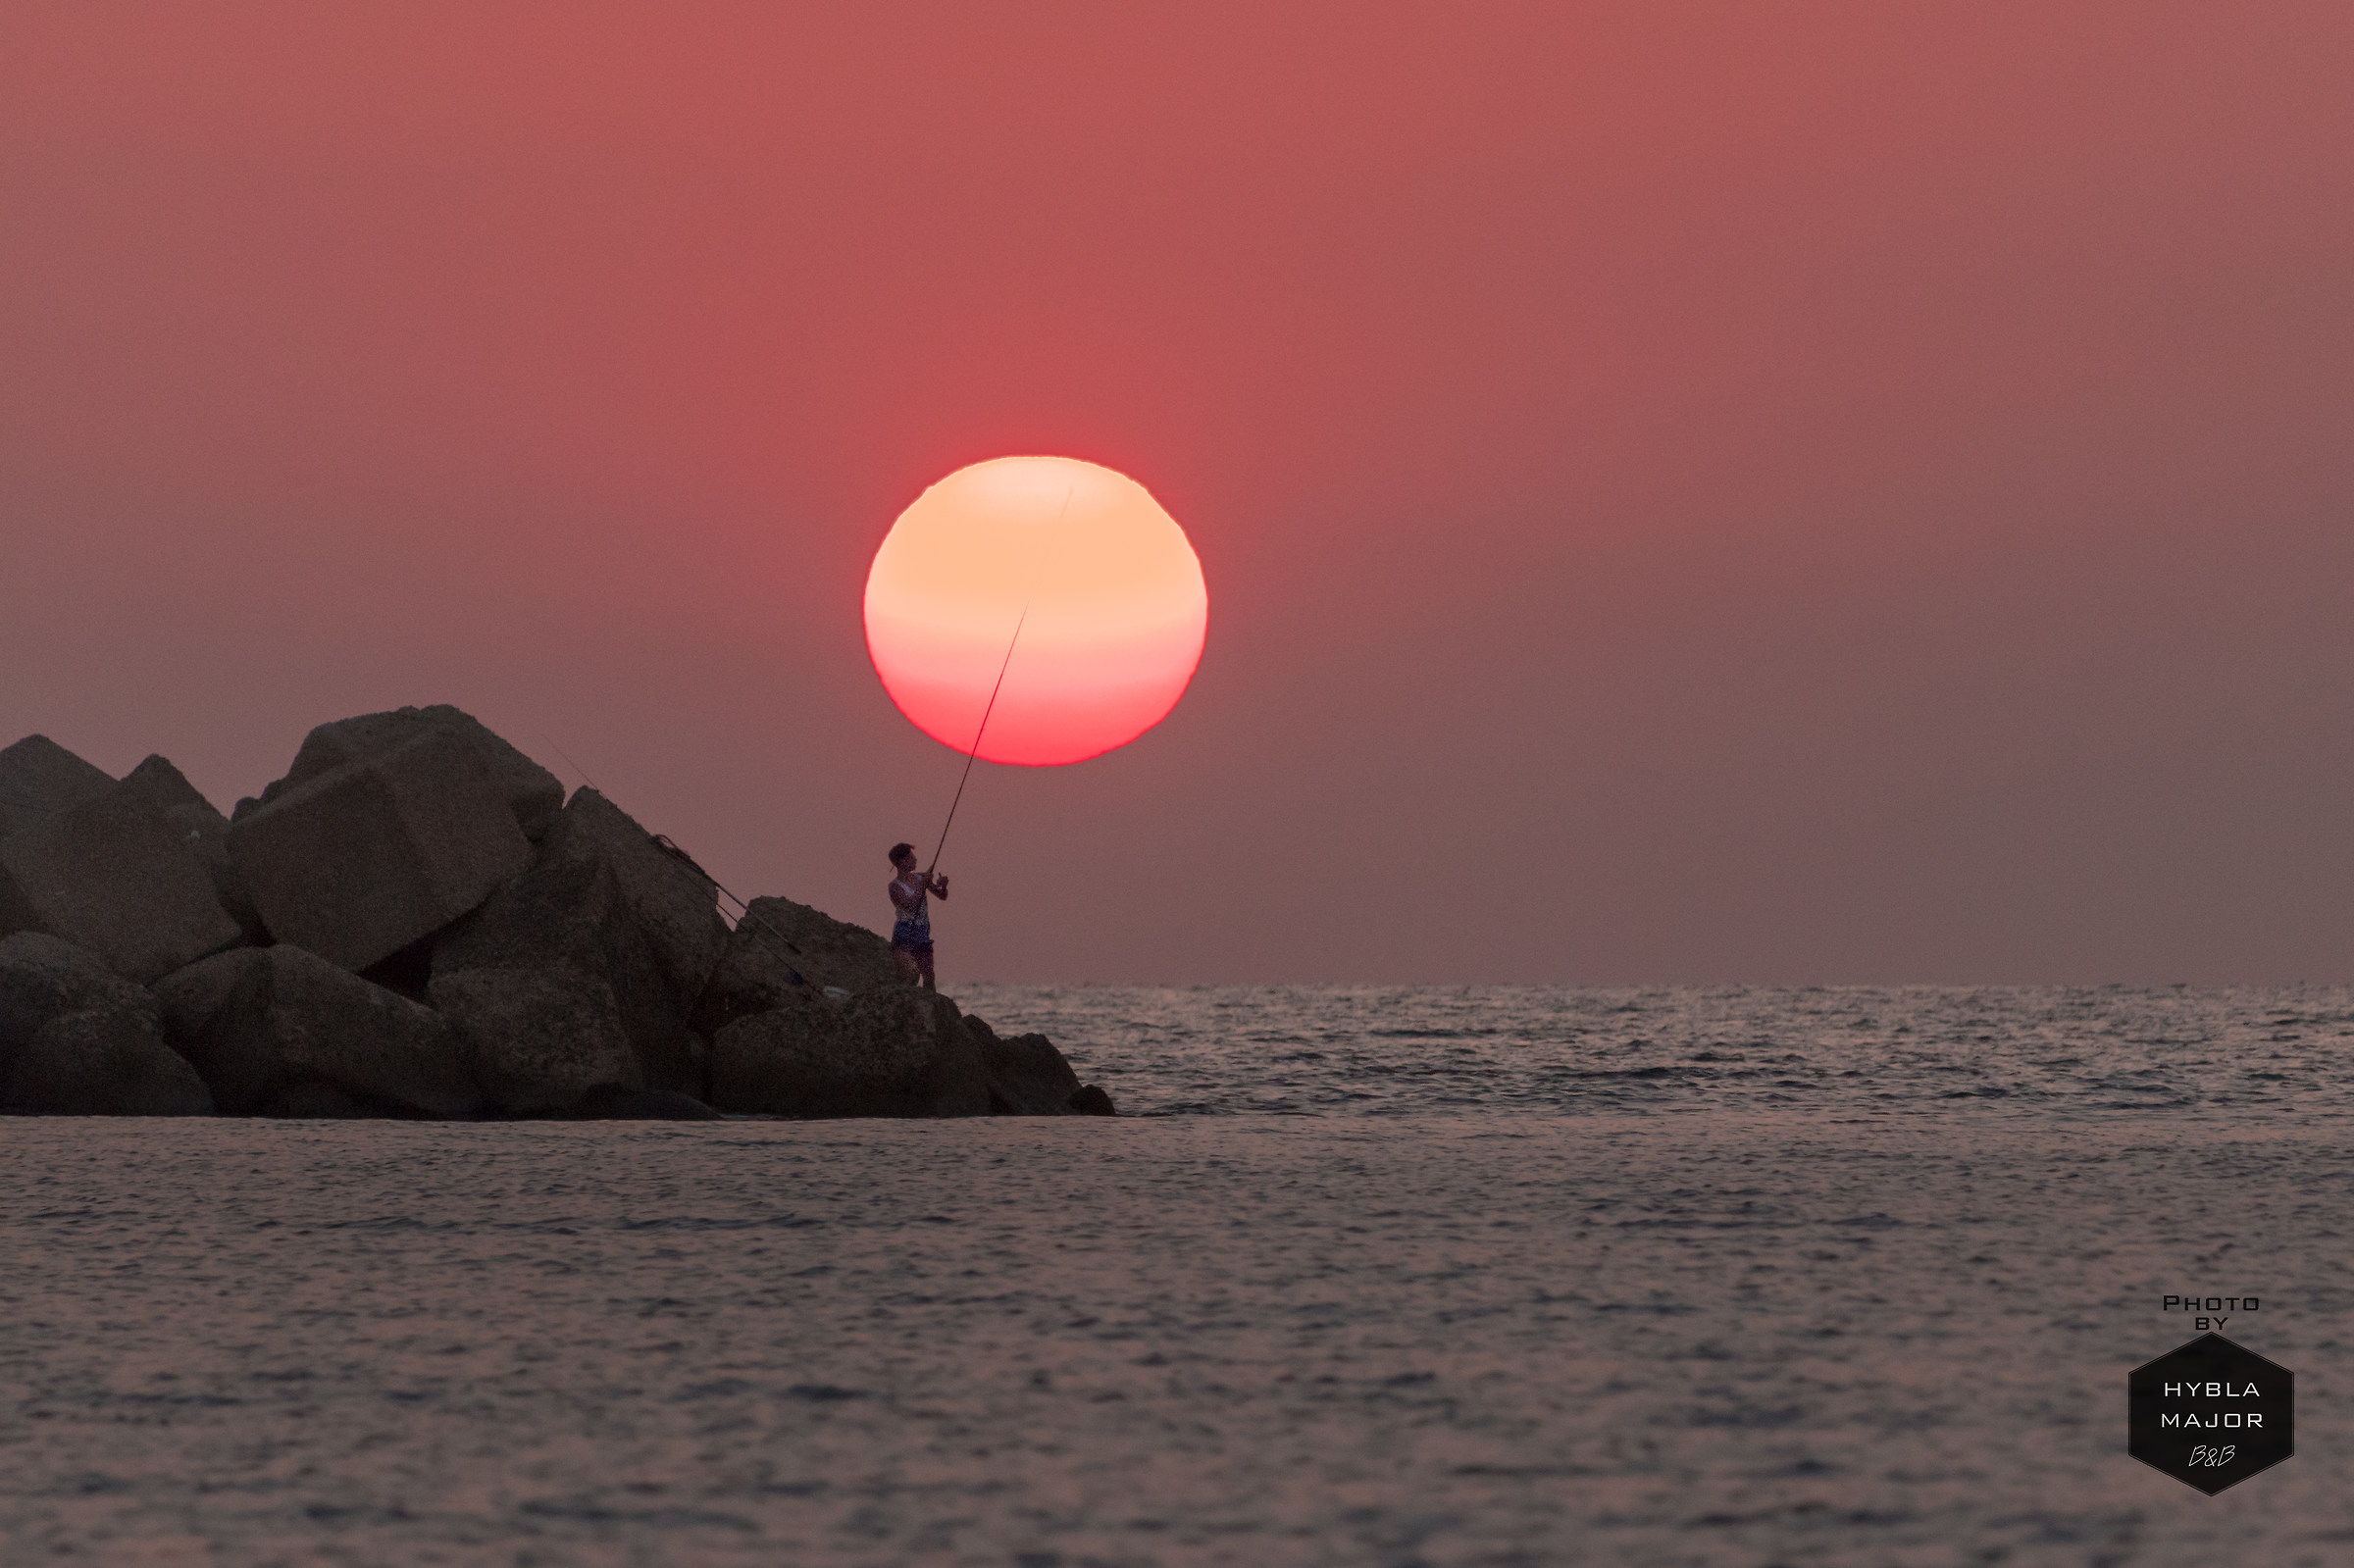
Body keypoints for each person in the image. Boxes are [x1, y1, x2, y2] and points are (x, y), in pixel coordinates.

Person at [887, 841, 947, 989]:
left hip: (922, 930)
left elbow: (942, 896)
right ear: (902, 862)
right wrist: (923, 885)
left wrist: (943, 885)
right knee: (909, 976)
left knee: (929, 975)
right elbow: (910, 905)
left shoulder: (921, 878)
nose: (915, 860)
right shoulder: (894, 886)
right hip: (904, 931)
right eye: (911, 857)